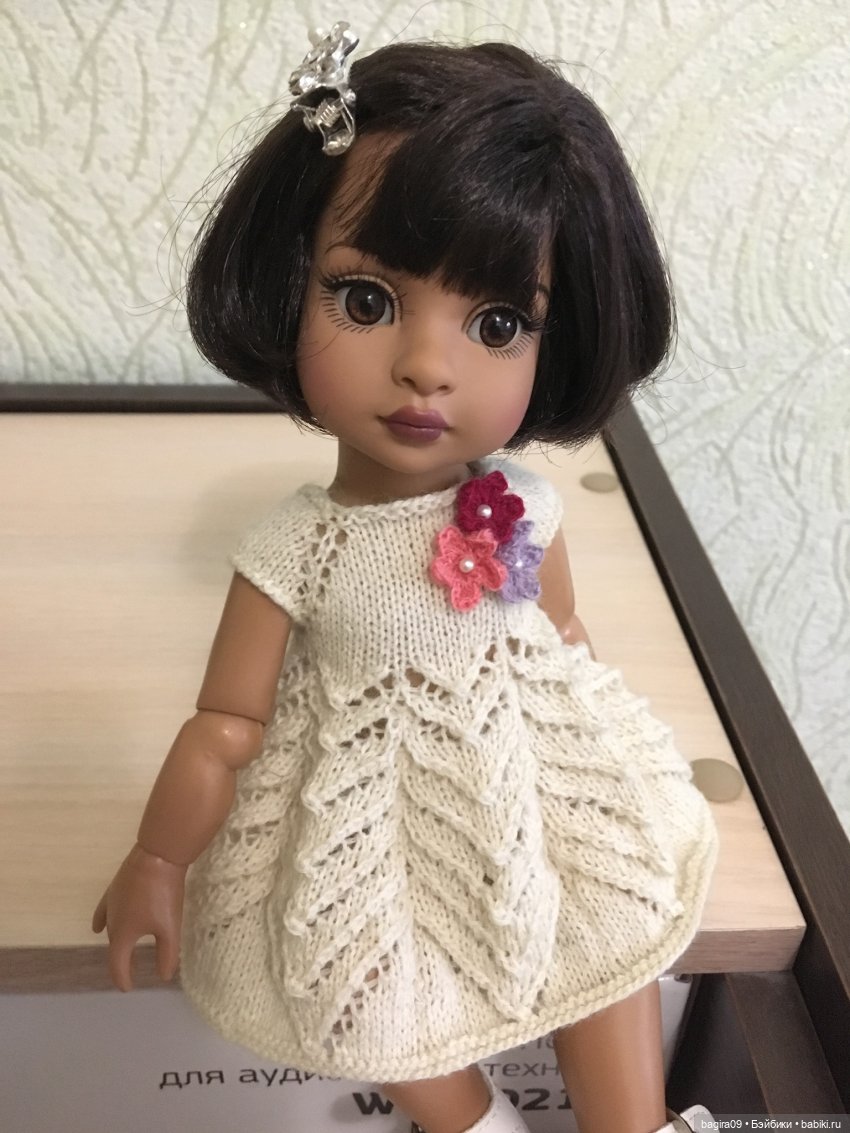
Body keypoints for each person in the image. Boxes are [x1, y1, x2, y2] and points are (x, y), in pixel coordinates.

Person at [93, 24, 717, 1133]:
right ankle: (474, 1121)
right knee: (363, 995)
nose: (428, 364)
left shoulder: (523, 507)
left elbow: (561, 636)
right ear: (288, 285)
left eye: (496, 323)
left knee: (604, 926)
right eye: (367, 300)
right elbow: (225, 727)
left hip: (528, 782)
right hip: (369, 821)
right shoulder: (300, 549)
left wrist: (604, 751)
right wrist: (157, 855)